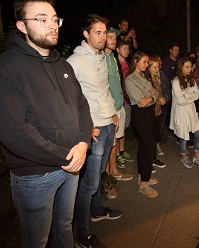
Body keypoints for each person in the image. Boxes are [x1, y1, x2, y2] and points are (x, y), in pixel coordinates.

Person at [0, 0, 92, 247]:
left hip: (72, 164)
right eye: (42, 19)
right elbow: (14, 133)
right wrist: (67, 156)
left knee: (65, 225)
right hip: (36, 177)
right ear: (22, 26)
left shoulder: (62, 65)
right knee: (37, 241)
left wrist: (83, 144)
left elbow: (82, 106)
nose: (52, 25)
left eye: (55, 19)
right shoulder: (6, 69)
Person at [67, 14, 122, 248]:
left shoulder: (101, 58)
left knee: (97, 177)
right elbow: (69, 100)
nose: (103, 37)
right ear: (86, 34)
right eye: (97, 32)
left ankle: (97, 210)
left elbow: (103, 89)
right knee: (87, 184)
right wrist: (85, 128)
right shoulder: (75, 62)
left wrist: (113, 111)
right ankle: (83, 234)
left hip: (108, 123)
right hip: (94, 129)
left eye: (104, 32)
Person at [125, 51, 160, 198]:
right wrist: (151, 96)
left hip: (149, 114)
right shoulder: (130, 79)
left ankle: (142, 175)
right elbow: (140, 101)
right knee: (150, 146)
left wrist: (150, 97)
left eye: (147, 62)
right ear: (136, 62)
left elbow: (156, 93)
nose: (147, 65)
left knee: (144, 146)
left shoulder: (143, 76)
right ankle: (144, 184)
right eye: (144, 62)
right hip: (140, 115)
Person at [104, 28, 133, 200]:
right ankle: (106, 180)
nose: (114, 40)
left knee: (115, 143)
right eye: (110, 37)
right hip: (110, 110)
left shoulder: (112, 59)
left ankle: (114, 171)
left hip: (119, 105)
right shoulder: (100, 59)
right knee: (108, 145)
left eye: (115, 37)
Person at [170, 56, 199, 168]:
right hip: (181, 113)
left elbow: (198, 94)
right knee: (183, 137)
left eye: (190, 67)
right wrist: (190, 96)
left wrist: (186, 95)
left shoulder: (192, 80)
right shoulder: (176, 82)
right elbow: (180, 101)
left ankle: (197, 156)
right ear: (180, 67)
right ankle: (184, 157)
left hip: (191, 111)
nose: (189, 69)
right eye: (187, 67)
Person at [115, 39, 134, 169]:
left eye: (128, 49)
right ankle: (116, 155)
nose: (127, 51)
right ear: (118, 49)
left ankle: (122, 150)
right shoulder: (117, 64)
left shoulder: (127, 64)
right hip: (120, 100)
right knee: (117, 130)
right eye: (124, 48)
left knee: (124, 128)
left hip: (127, 101)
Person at [145, 55, 167, 168]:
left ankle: (153, 158)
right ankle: (148, 162)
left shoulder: (157, 78)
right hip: (150, 113)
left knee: (154, 137)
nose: (156, 69)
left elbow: (158, 94)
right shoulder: (147, 80)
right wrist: (159, 101)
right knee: (149, 140)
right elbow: (149, 98)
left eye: (157, 67)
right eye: (153, 67)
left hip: (158, 112)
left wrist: (162, 98)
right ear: (148, 67)